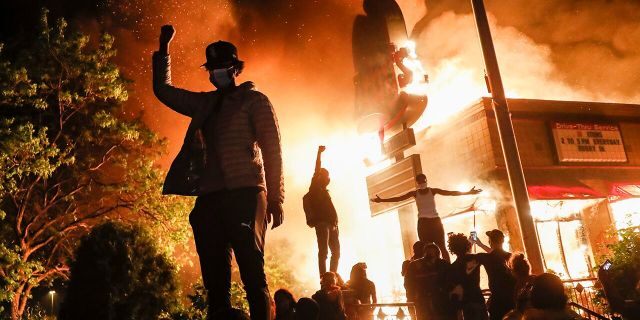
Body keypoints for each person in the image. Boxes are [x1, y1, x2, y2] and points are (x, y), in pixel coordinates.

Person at [153, 25, 284, 320]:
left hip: (246, 193)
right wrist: (164, 50)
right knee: (215, 280)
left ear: (235, 68)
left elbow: (272, 150)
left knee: (252, 271)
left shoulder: (255, 101)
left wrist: (276, 198)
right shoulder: (205, 103)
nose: (215, 73)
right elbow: (163, 91)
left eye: (222, 67)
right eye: (211, 68)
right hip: (210, 197)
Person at [372, 174, 481, 262]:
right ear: (418, 183)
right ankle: (429, 268)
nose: (422, 183)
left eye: (423, 181)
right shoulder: (416, 193)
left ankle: (447, 268)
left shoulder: (431, 191)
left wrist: (468, 192)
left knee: (441, 247)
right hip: (425, 223)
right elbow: (398, 199)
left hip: (431, 222)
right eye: (421, 182)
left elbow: (451, 193)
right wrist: (382, 200)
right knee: (425, 248)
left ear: (425, 181)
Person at [306, 145, 341, 277]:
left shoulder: (324, 191)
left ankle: (332, 276)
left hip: (332, 225)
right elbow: (316, 169)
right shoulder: (315, 187)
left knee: (336, 253)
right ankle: (324, 278)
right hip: (323, 224)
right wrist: (319, 153)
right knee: (324, 252)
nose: (328, 178)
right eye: (326, 175)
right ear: (321, 176)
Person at [470, 230, 516, 320]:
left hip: (497, 302)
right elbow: (497, 254)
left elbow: (466, 258)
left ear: (490, 242)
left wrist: (472, 243)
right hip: (512, 300)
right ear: (503, 241)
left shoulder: (486, 258)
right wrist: (480, 244)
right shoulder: (511, 257)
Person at [406, 242, 455, 320]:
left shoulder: (414, 266)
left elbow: (408, 285)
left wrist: (413, 298)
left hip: (428, 303)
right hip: (437, 303)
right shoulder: (444, 264)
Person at [447, 233, 488, 320]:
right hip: (478, 299)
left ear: (452, 248)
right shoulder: (476, 258)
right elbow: (494, 255)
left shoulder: (453, 267)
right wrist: (479, 244)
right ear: (466, 245)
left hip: (466, 304)